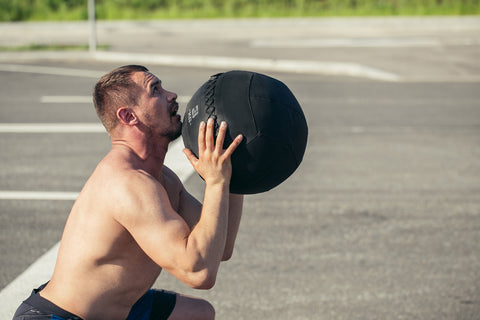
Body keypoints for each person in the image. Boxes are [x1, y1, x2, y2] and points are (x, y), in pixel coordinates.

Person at [13, 65, 244, 320]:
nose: (172, 95)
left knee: (198, 314)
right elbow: (198, 272)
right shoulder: (126, 183)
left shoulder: (164, 179)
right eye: (155, 90)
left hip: (122, 310)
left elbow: (219, 248)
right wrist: (215, 182)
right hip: (58, 317)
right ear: (128, 116)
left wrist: (236, 178)